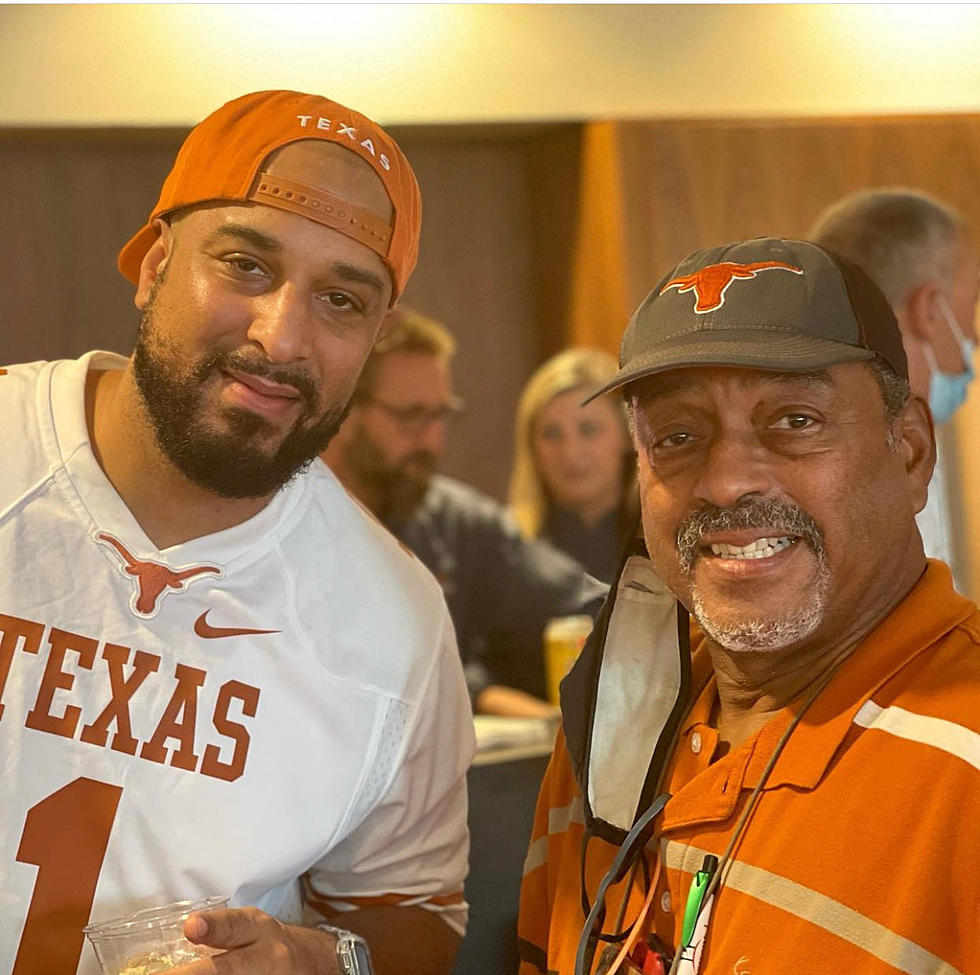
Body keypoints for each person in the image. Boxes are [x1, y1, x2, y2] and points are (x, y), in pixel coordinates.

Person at [0, 90, 474, 975]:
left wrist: (304, 959)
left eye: (341, 298)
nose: (281, 334)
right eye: (246, 266)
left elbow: (413, 924)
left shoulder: (394, 623)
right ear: (152, 264)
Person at [517, 238, 980, 974]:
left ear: (912, 452)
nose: (727, 480)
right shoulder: (611, 719)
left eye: (795, 420)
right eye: (677, 435)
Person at [322, 307, 606, 718]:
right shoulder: (274, 518)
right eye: (411, 416)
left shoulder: (454, 521)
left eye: (441, 415)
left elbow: (588, 604)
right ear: (344, 409)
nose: (433, 439)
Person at [809, 188, 979, 588]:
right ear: (929, 310)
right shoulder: (864, 464)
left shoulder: (906, 442)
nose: (973, 333)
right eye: (971, 304)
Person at [509, 348, 639, 585]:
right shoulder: (506, 555)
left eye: (589, 430)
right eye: (551, 434)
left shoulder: (666, 549)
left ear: (628, 435)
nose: (570, 452)